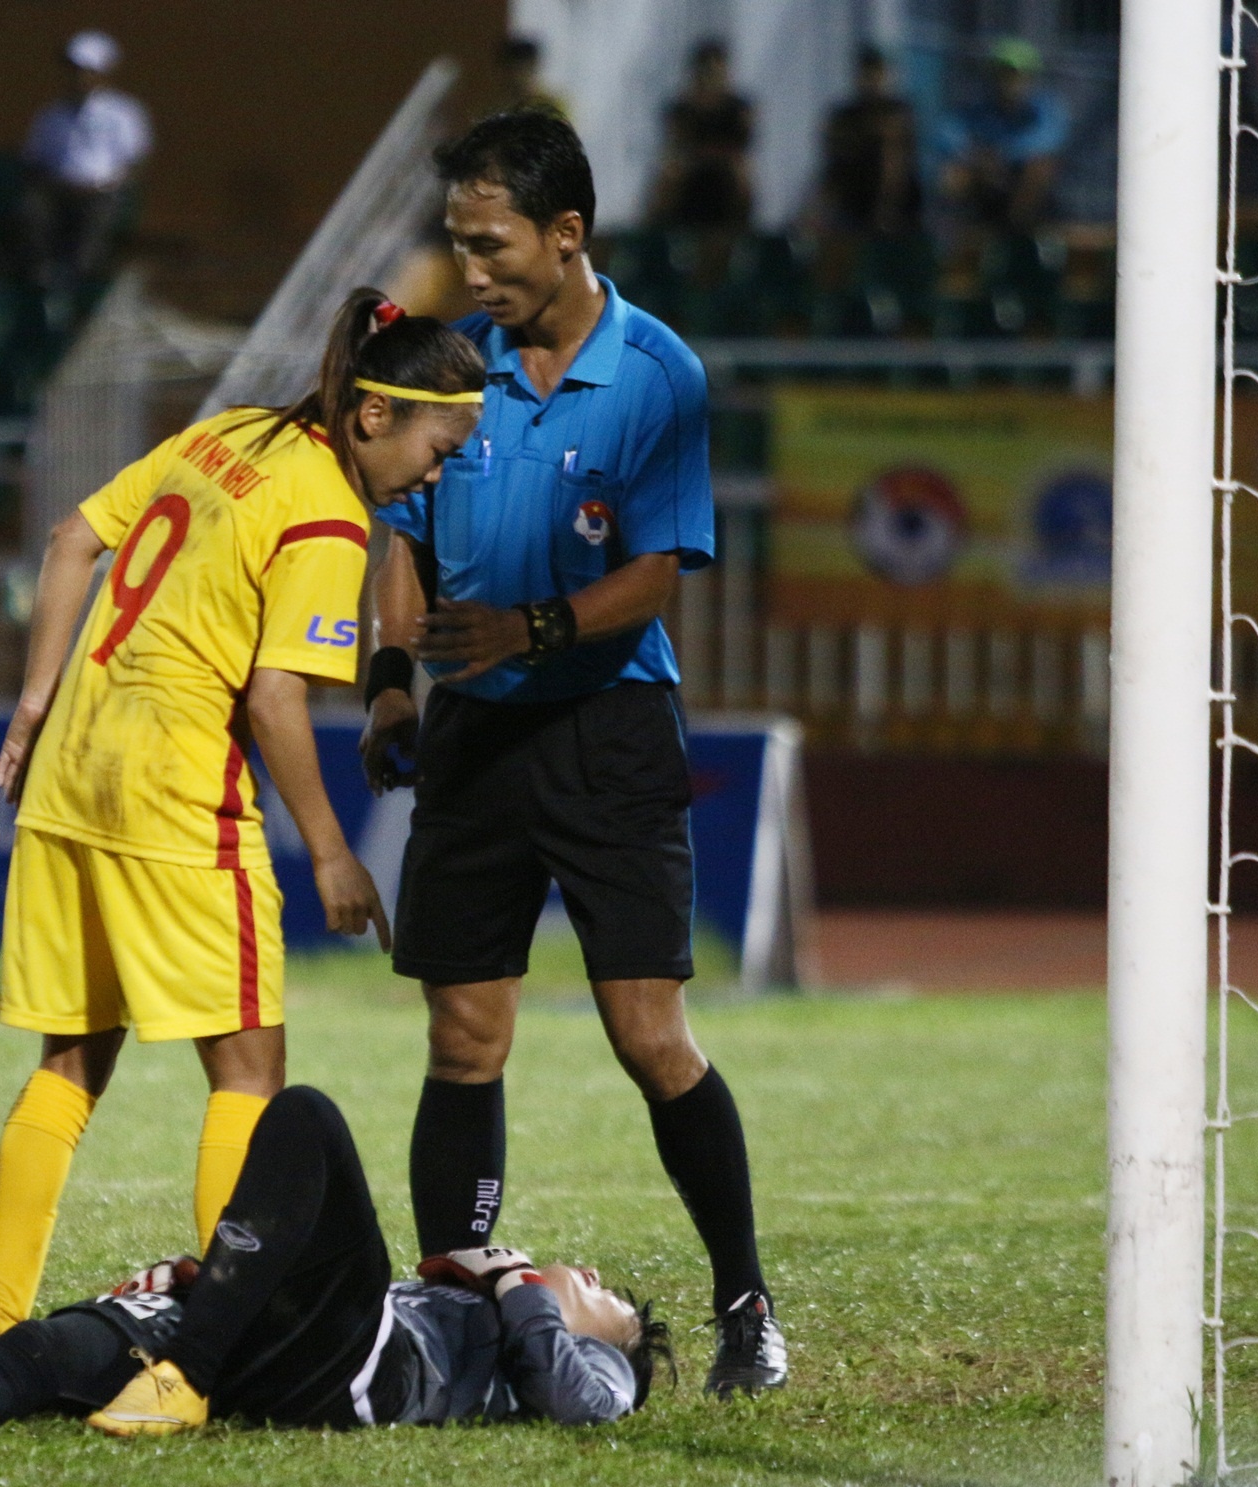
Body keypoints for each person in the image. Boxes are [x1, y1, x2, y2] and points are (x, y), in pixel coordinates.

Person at [359, 110, 787, 1400]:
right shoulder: (456, 366)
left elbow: (657, 573)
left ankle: (745, 1304)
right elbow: (400, 537)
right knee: (461, 1032)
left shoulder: (657, 372)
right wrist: (388, 685)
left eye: (487, 246)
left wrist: (531, 624)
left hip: (606, 730)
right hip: (476, 733)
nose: (468, 270)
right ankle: (451, 1304)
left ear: (564, 234)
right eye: (454, 244)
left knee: (646, 1032)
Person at [0, 289, 486, 1346]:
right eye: (438, 447)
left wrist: (32, 700)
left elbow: (71, 539)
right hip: (175, 788)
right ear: (374, 416)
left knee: (70, 1060)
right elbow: (272, 696)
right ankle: (223, 1342)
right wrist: (334, 855)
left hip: (72, 764)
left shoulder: (225, 432)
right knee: (250, 1073)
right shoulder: (330, 515)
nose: (436, 474)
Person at [0, 1087, 670, 1436]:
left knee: (304, 1115)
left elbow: (576, 1404)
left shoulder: (603, 1373)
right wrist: (212, 1278)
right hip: (275, 1354)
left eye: (603, 1293)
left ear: (612, 1340)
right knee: (54, 1356)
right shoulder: (476, 1302)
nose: (579, 1272)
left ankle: (184, 1371)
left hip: (358, 1367)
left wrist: (518, 1282)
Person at [22, 30, 151, 302]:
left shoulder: (124, 113)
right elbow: (34, 160)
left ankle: (80, 285)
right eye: (73, 70)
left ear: (102, 72)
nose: (78, 77)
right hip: (58, 191)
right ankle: (41, 275)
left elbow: (135, 161)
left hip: (103, 192)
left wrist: (106, 185)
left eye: (85, 70)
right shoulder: (51, 114)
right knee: (32, 208)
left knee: (96, 222)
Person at [935, 37, 1068, 234]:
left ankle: (1012, 235)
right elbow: (946, 136)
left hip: (1025, 186)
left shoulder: (1047, 110)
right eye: (1004, 74)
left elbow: (1046, 145)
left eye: (1018, 76)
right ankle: (958, 241)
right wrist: (976, 158)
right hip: (987, 177)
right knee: (952, 177)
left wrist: (999, 156)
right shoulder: (978, 110)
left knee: (1039, 168)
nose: (1010, 82)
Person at [650, 41, 753, 233]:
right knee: (670, 173)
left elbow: (743, 143)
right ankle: (657, 228)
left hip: (725, 166)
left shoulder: (737, 108)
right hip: (691, 164)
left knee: (742, 174)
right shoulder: (682, 108)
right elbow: (676, 143)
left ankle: (741, 229)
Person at [820, 45, 922, 236]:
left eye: (877, 72)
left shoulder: (898, 111)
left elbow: (901, 157)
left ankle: (886, 221)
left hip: (898, 207)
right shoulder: (844, 116)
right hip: (851, 199)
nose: (872, 80)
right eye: (867, 72)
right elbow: (833, 157)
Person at [490, 36, 568, 120]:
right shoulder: (499, 108)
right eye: (510, 70)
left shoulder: (553, 106)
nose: (516, 76)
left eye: (522, 69)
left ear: (534, 66)